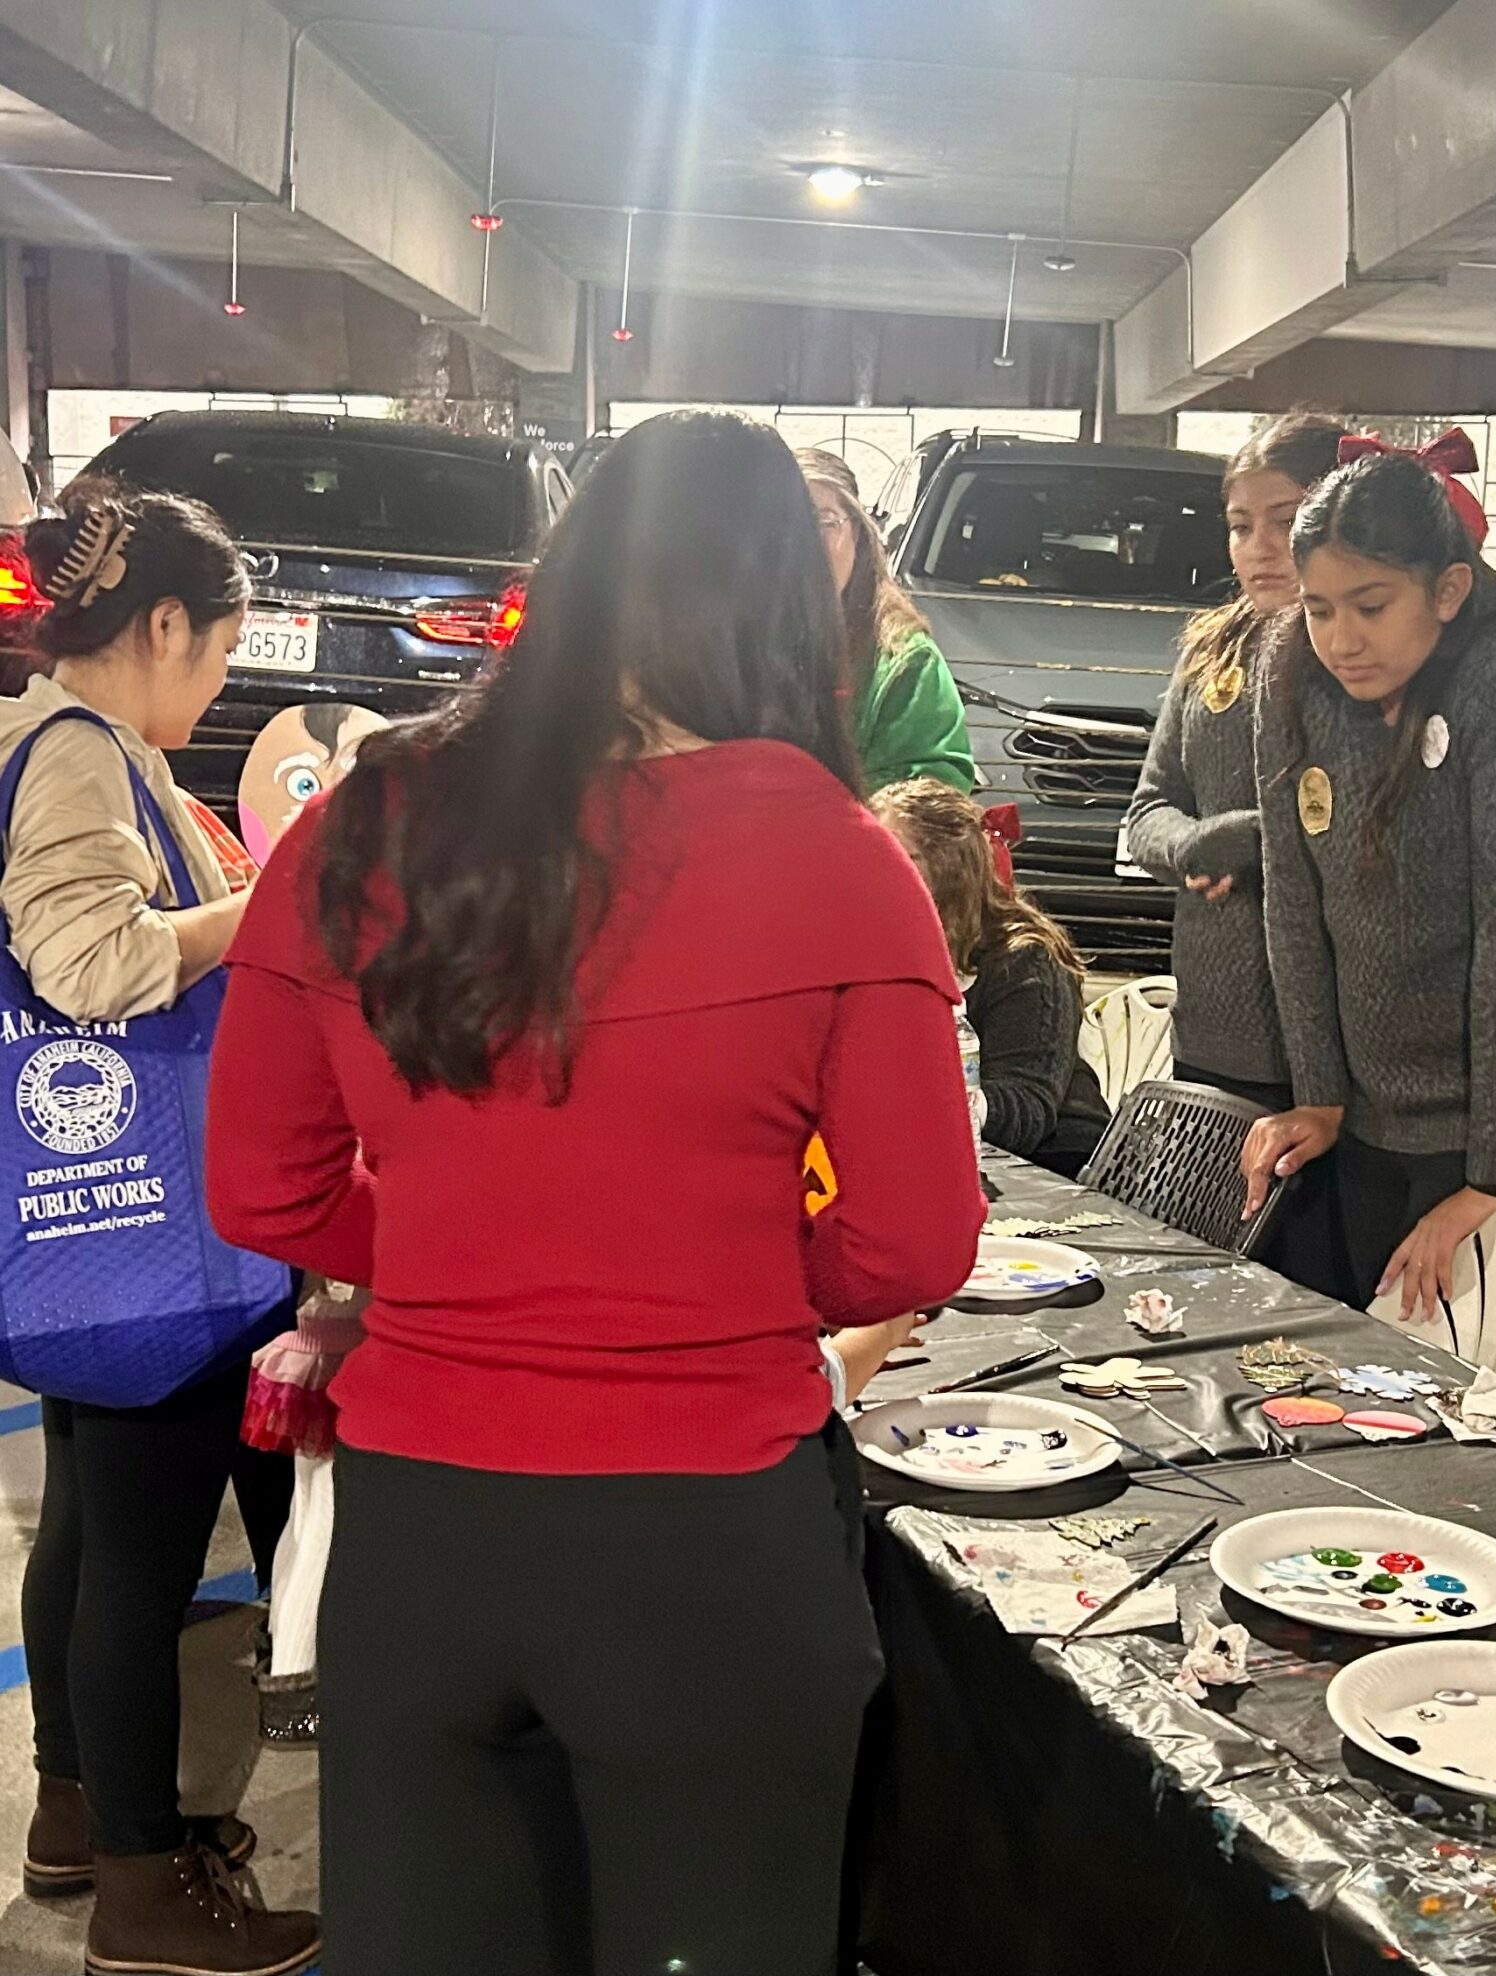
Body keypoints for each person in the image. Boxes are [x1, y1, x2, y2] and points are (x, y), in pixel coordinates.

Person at [205, 410, 983, 1975]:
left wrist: (440, 1254)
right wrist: (724, 1276)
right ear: (785, 610)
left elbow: (258, 1183)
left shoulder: (366, 819)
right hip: (710, 1542)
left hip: (426, 1537)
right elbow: (916, 1237)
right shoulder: (838, 854)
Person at [4, 486, 321, 1974]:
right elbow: (89, 961)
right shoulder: (75, 755)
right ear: (165, 624)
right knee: (135, 1552)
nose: (220, 685)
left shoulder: (70, 746)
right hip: (148, 1232)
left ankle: (81, 1815)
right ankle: (141, 1889)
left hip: (91, 1236)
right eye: (217, 651)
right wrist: (257, 915)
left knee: (87, 1527)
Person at [1242, 450, 1496, 1315]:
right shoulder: (1290, 669)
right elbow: (1293, 899)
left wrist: (1493, 1180)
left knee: (1468, 1391)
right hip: (1377, 1106)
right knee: (1353, 1370)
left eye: (1372, 607)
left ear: (1447, 592)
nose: (1341, 639)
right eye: (1320, 608)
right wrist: (1322, 1095)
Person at [1125, 413, 1348, 1108]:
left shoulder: (1360, 652)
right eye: (1241, 525)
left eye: (1286, 519)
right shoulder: (1212, 647)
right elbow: (1147, 810)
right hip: (1215, 1025)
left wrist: (1265, 837)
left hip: (1337, 1038)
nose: (1261, 547)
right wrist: (1197, 843)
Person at [870, 776, 1111, 1178]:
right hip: (937, 1163)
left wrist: (929, 1103)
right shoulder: (881, 950)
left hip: (1053, 1172)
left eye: (892, 857)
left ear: (948, 868)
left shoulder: (1025, 962)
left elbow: (1028, 1108)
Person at [798, 446, 976, 790]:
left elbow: (934, 787)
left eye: (824, 522)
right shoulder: (735, 644)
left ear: (859, 535)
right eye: (786, 525)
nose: (806, 543)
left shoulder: (905, 661)